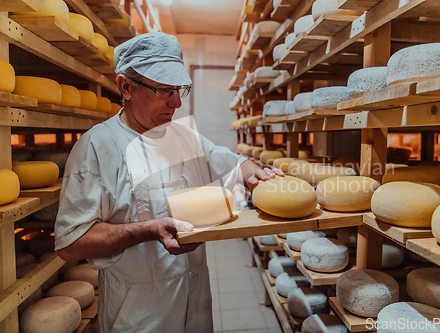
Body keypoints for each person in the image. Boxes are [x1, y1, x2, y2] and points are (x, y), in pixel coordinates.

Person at [54, 32, 283, 333]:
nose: (176, 102)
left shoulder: (184, 136)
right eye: (164, 90)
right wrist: (147, 230)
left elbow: (234, 163)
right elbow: (71, 243)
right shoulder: (99, 147)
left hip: (196, 304)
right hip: (140, 315)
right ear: (126, 87)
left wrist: (256, 173)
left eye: (180, 89)